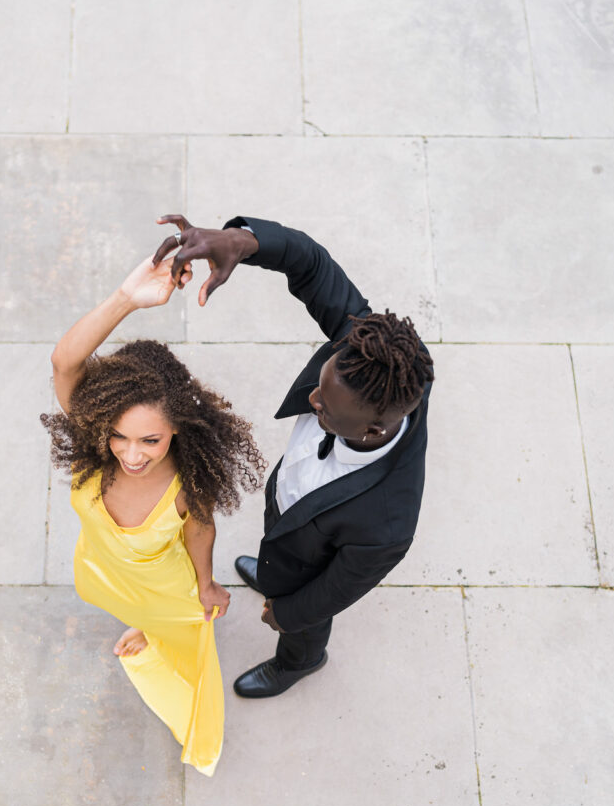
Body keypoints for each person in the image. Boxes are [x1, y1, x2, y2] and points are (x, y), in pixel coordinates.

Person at [152, 214, 435, 699]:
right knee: (276, 540)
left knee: (302, 621)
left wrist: (288, 612)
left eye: (325, 408)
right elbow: (311, 263)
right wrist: (240, 241)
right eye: (320, 386)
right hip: (291, 508)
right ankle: (270, 571)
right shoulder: (364, 351)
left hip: (311, 568)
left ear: (372, 429)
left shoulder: (387, 525)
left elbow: (337, 590)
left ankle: (300, 662)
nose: (312, 401)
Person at [41, 253, 265, 774]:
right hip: (103, 573)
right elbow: (64, 364)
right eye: (119, 435)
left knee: (183, 638)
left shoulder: (187, 484)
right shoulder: (94, 443)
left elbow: (200, 532)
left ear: (178, 431)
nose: (131, 453)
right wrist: (125, 299)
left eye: (150, 440)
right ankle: (144, 626)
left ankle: (156, 633)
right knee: (137, 615)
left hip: (166, 588)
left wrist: (207, 586)